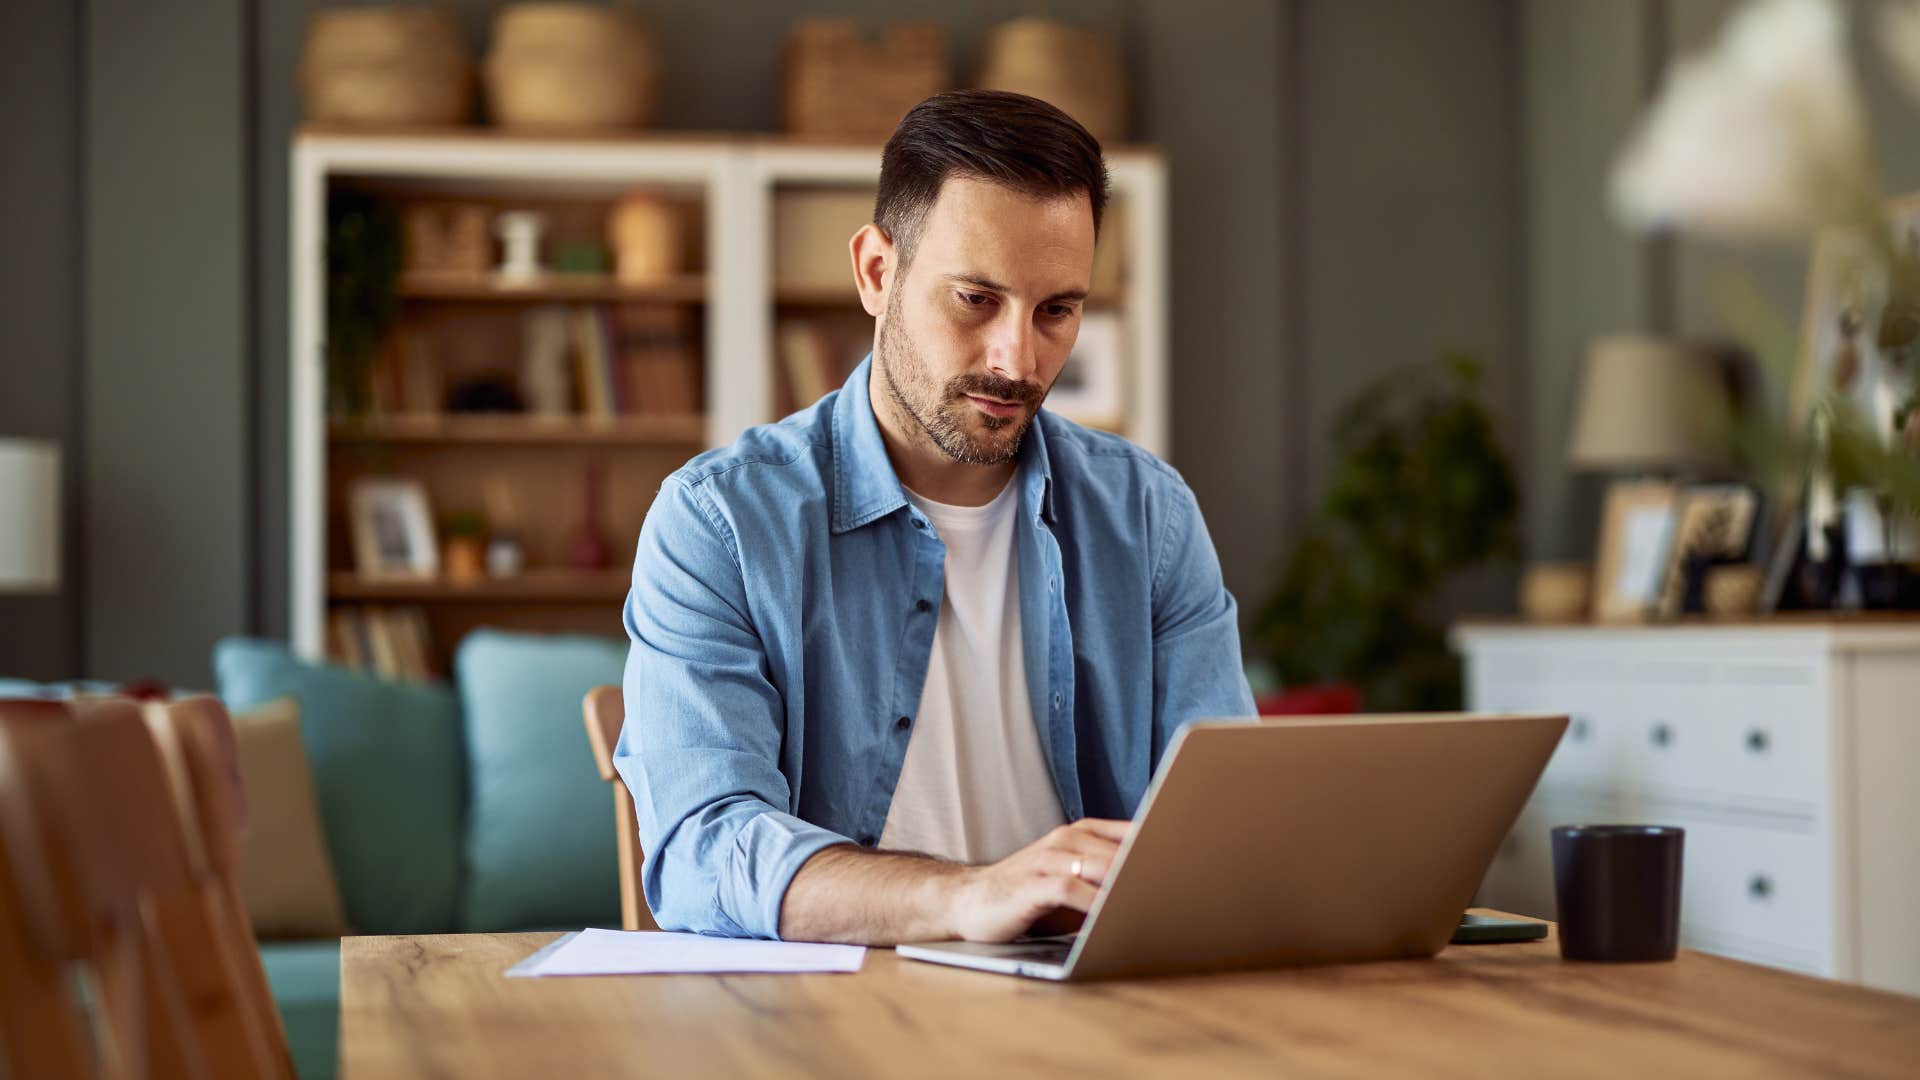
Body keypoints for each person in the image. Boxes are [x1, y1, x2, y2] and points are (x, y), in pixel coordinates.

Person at [615, 90, 1255, 945]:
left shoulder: (1150, 516)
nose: (1017, 361)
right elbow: (703, 852)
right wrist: (968, 898)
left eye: (1057, 311)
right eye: (976, 299)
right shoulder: (719, 524)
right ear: (878, 274)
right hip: (837, 1006)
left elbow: (1227, 823)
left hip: (1094, 1000)